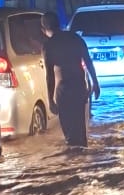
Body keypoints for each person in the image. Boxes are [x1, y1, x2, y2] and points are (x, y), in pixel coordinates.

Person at [41, 11, 100, 147]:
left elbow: (50, 75)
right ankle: (83, 160)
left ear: (43, 30)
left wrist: (50, 100)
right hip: (79, 87)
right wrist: (95, 84)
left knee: (69, 134)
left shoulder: (48, 46)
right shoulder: (75, 38)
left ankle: (74, 161)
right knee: (80, 130)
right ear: (59, 24)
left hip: (64, 91)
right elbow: (88, 62)